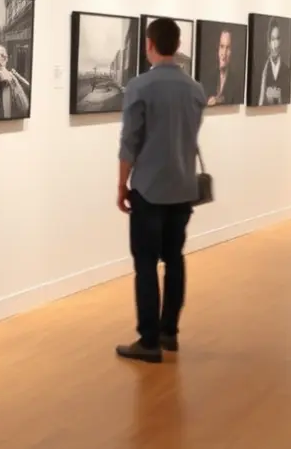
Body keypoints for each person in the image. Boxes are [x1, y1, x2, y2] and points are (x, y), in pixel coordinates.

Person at [116, 18, 207, 363]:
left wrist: (121, 184)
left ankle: (148, 339)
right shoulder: (195, 89)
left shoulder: (140, 87)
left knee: (145, 264)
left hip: (149, 189)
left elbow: (130, 142)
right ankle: (170, 332)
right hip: (183, 188)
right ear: (178, 44)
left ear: (150, 44)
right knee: (174, 260)